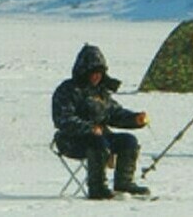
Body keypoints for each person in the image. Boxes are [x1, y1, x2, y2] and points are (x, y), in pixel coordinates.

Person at [52, 44, 151, 199]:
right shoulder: (68, 90)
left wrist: (134, 119)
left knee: (128, 141)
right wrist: (89, 128)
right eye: (93, 73)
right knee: (97, 142)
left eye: (99, 73)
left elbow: (113, 113)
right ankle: (97, 188)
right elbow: (63, 120)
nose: (96, 77)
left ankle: (123, 184)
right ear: (84, 72)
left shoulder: (100, 92)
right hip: (71, 140)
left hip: (101, 137)